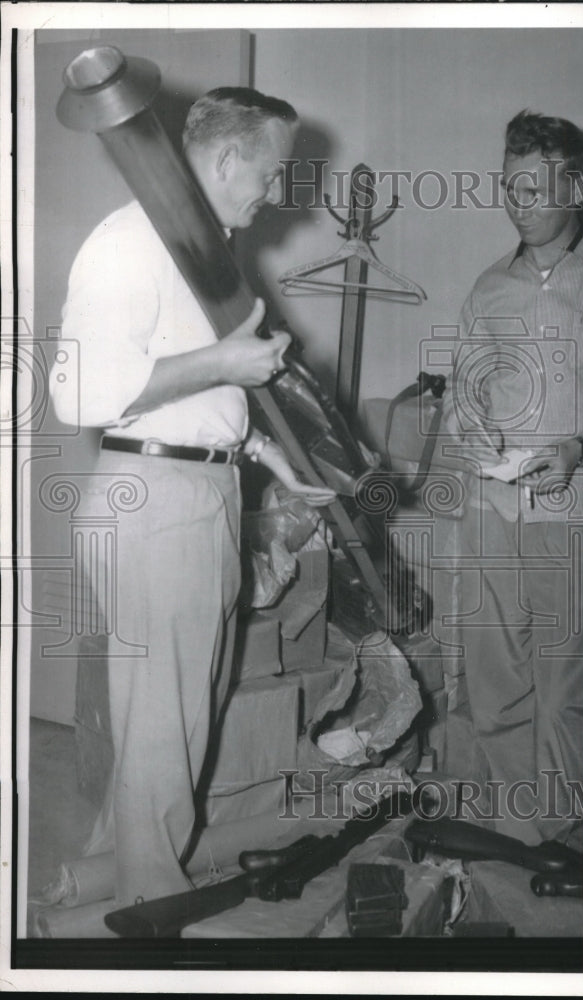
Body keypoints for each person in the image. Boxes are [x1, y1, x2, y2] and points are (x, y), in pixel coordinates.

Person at [49, 85, 335, 906]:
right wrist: (221, 366)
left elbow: (183, 390)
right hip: (153, 493)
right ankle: (150, 908)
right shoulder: (128, 240)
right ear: (226, 157)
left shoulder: (197, 248)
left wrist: (260, 451)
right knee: (164, 725)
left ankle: (113, 873)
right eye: (271, 171)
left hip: (198, 484)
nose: (274, 191)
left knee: (174, 718)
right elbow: (78, 394)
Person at [440, 110, 583, 844]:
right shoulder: (488, 288)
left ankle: (567, 848)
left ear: (575, 189)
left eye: (534, 188)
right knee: (494, 685)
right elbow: (460, 392)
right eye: (508, 185)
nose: (517, 202)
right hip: (493, 508)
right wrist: (464, 420)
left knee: (566, 694)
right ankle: (518, 839)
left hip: (581, 510)